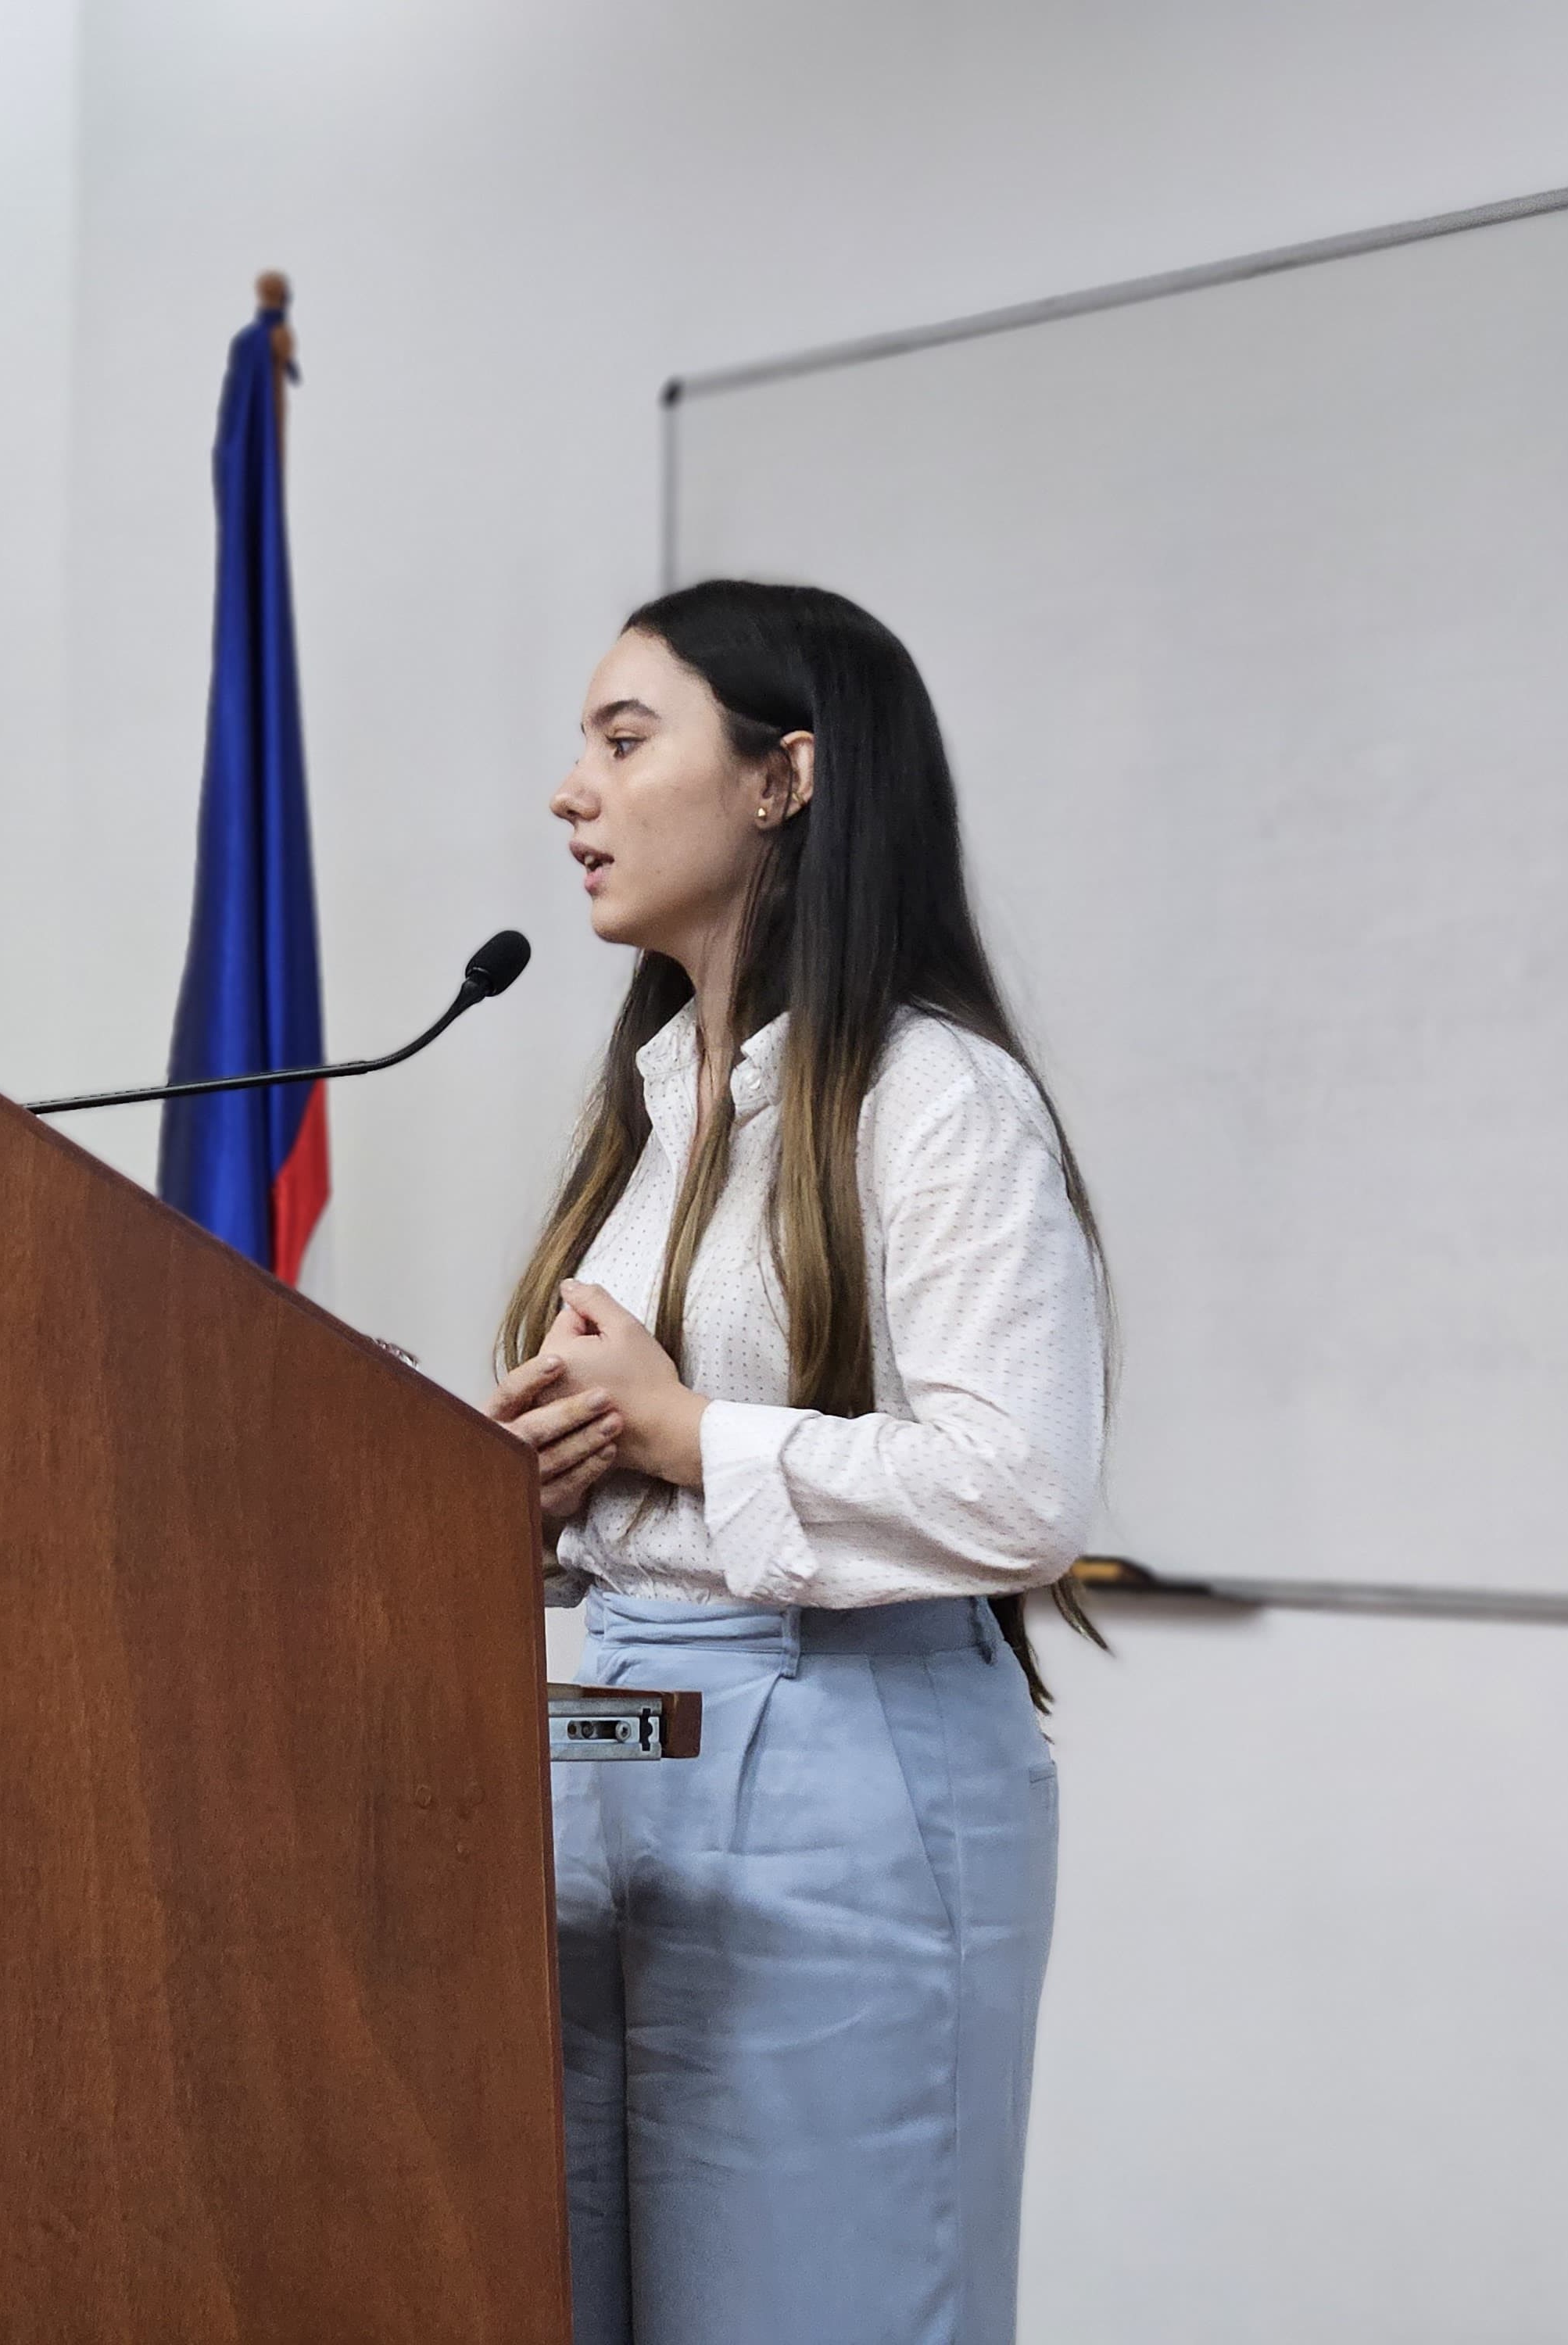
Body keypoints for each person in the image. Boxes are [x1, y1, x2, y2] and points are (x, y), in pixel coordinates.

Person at [485, 579, 1108, 2345]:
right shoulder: (659, 1110)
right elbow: (630, 1500)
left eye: (625, 740)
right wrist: (536, 1504)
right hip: (607, 1750)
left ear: (785, 779)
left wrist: (686, 1434)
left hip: (847, 1775)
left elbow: (1020, 1490)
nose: (572, 792)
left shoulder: (939, 1099)